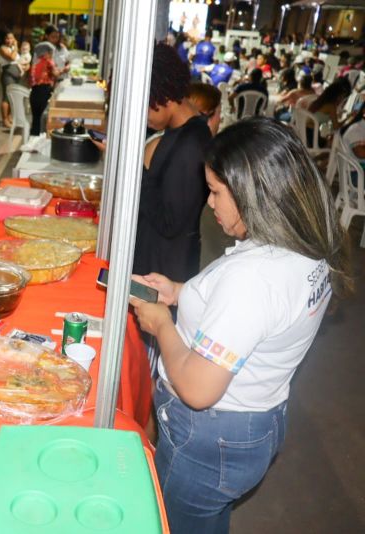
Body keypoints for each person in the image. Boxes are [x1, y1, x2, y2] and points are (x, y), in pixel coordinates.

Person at [130, 117, 351, 533]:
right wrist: (179, 294)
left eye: (215, 191)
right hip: (255, 423)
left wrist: (161, 324)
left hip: (208, 436)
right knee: (207, 519)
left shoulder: (253, 279)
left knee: (177, 523)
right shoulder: (306, 245)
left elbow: (197, 389)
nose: (208, 202)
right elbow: (259, 320)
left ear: (255, 193)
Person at [135, 43, 211, 282]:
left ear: (165, 97)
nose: (144, 116)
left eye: (145, 106)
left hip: (164, 272)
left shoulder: (192, 145)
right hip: (155, 263)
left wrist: (139, 171)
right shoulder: (177, 131)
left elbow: (170, 223)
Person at [29, 43, 62, 136]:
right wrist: (64, 70)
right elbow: (56, 74)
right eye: (51, 52)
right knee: (43, 119)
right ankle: (40, 141)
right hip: (44, 92)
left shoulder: (35, 62)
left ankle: (33, 138)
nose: (52, 55)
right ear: (46, 53)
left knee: (36, 118)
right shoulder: (48, 61)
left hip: (34, 93)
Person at [0, 32, 22, 128]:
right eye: (7, 38)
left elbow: (19, 60)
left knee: (12, 97)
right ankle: (4, 120)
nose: (9, 40)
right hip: (8, 75)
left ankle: (9, 117)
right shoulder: (3, 48)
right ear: (4, 39)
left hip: (16, 75)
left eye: (11, 38)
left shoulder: (13, 49)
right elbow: (12, 58)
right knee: (6, 98)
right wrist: (16, 46)